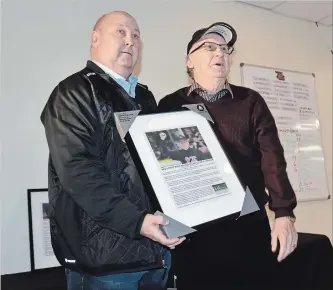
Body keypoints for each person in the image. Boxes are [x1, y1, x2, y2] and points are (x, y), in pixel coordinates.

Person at [40, 11, 184, 290]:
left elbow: (157, 167)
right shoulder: (74, 92)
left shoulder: (145, 96)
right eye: (121, 32)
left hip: (154, 254)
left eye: (136, 36)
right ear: (95, 39)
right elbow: (79, 173)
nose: (130, 40)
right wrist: (137, 221)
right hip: (104, 263)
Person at [158, 22, 298, 289]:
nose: (220, 54)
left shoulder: (250, 101)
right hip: (196, 233)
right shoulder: (170, 105)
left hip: (247, 228)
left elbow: (273, 158)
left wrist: (283, 213)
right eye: (209, 47)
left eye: (224, 49)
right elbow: (163, 168)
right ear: (189, 61)